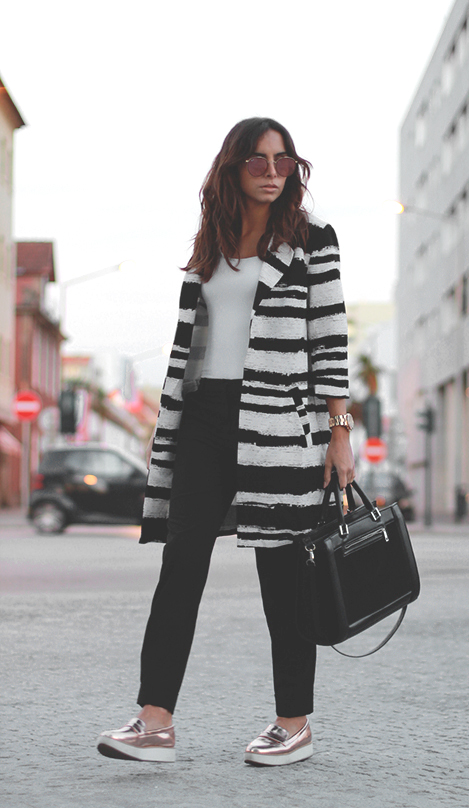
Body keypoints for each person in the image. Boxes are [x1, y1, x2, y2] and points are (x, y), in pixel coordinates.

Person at [96, 117, 355, 766]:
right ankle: (155, 721)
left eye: (283, 160)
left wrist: (339, 433)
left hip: (277, 422)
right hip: (205, 418)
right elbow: (192, 342)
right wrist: (170, 426)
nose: (272, 172)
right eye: (258, 160)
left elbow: (329, 337)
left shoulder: (312, 238)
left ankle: (292, 723)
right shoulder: (211, 240)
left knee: (282, 572)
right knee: (181, 565)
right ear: (232, 168)